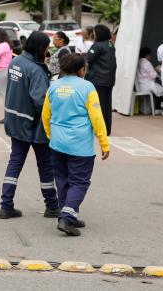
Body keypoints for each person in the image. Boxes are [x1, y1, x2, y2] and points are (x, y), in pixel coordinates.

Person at [42, 53, 110, 236]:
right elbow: (97, 118)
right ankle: (67, 217)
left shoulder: (54, 86)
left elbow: (46, 115)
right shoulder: (87, 87)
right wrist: (104, 143)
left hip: (57, 144)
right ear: (81, 70)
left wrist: (50, 135)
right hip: (79, 146)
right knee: (79, 182)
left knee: (62, 180)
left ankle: (69, 213)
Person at [0, 32, 59, 220]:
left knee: (15, 163)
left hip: (14, 120)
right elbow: (40, 100)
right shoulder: (36, 70)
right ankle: (52, 206)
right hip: (33, 125)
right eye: (47, 47)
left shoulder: (16, 62)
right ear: (40, 47)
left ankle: (6, 205)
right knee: (45, 165)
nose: (48, 51)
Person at [86, 25, 117, 135]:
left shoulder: (97, 45)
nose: (93, 34)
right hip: (109, 79)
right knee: (107, 105)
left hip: (98, 79)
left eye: (94, 32)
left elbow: (88, 59)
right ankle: (106, 129)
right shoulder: (110, 44)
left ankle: (100, 129)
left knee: (98, 105)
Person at [136, 47, 163, 112]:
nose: (151, 56)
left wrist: (153, 69)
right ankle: (160, 108)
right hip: (148, 85)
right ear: (147, 55)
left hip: (141, 85)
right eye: (150, 55)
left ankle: (156, 108)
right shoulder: (147, 63)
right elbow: (154, 75)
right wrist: (156, 69)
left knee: (159, 90)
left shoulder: (139, 62)